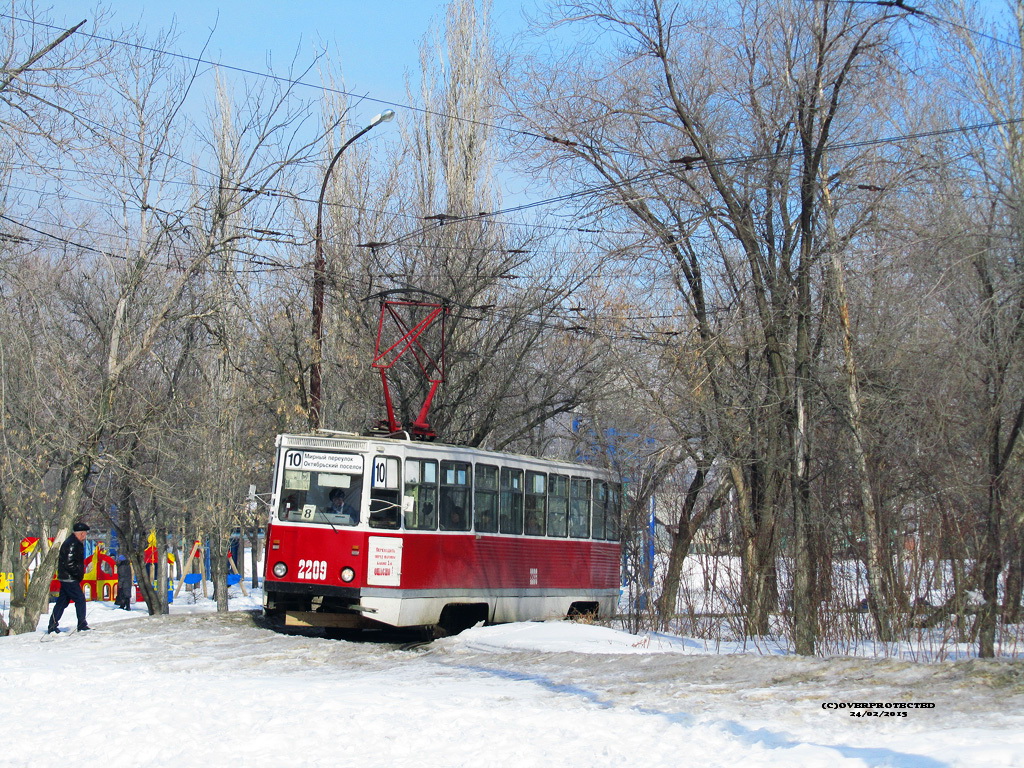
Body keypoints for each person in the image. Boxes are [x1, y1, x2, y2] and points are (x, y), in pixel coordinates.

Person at [47, 522, 91, 633]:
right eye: (85, 533)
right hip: (70, 578)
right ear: (81, 533)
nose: (85, 536)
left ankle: (52, 625)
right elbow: (69, 563)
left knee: (62, 602)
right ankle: (82, 624)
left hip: (66, 577)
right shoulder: (72, 544)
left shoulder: (73, 542)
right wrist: (77, 574)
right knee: (80, 599)